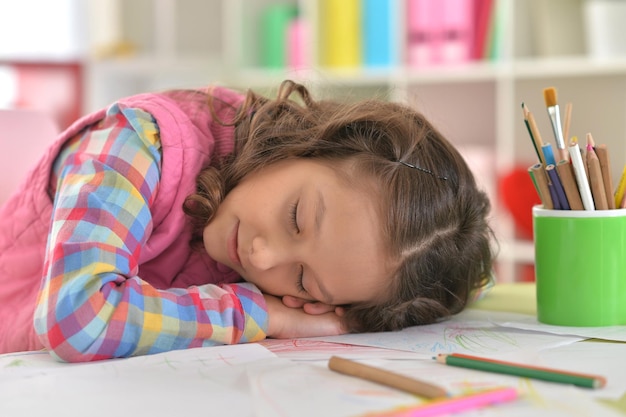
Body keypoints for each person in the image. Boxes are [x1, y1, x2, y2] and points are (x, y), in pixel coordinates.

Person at [0, 80, 494, 362]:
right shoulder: (138, 142)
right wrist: (266, 315)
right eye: (296, 217)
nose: (262, 255)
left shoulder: (276, 227)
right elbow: (79, 319)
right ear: (311, 144)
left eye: (303, 280)